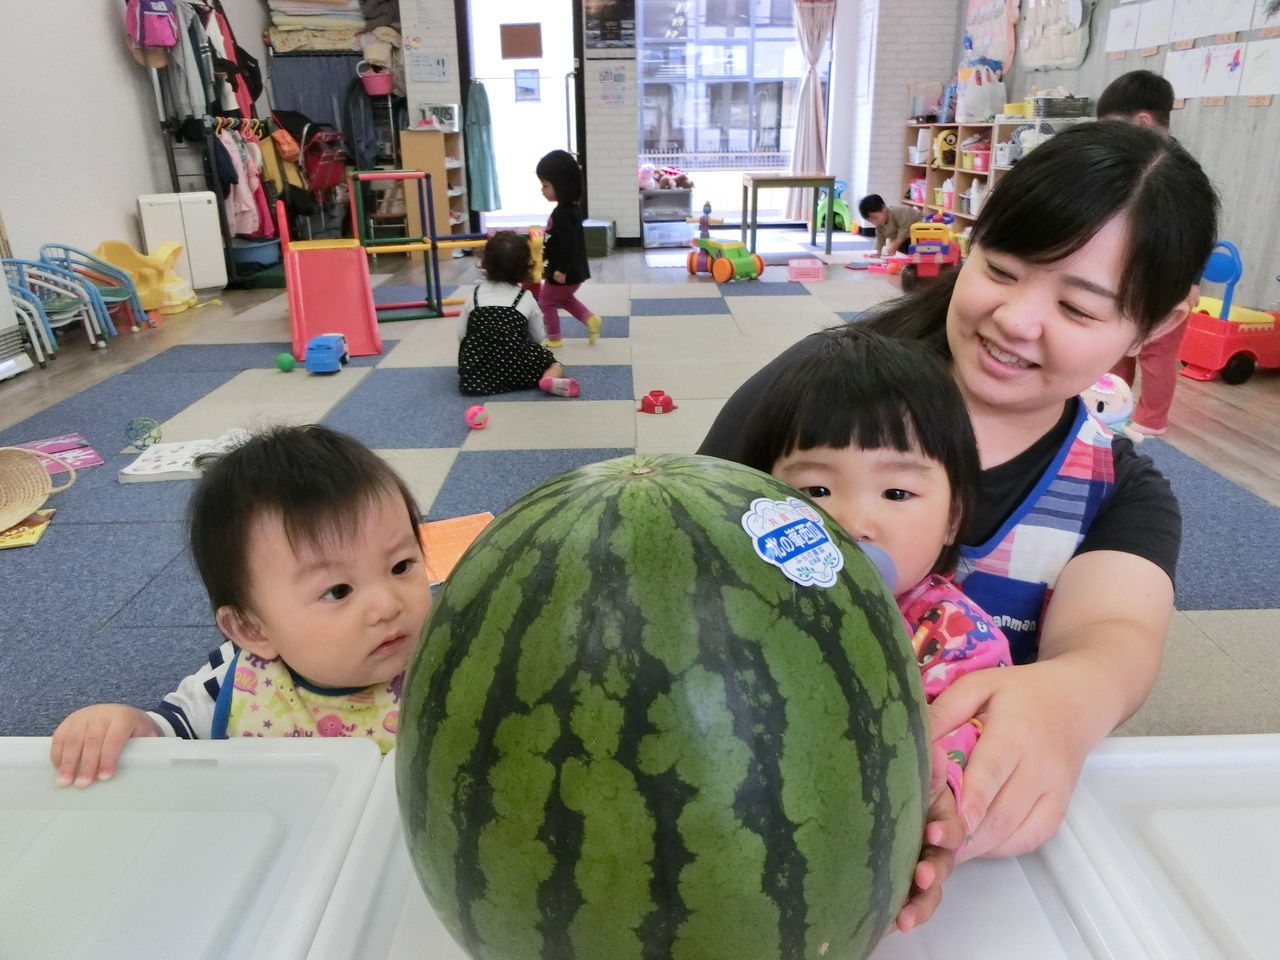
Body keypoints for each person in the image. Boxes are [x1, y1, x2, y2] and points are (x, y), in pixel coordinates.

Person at [702, 123, 1218, 883]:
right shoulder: (819, 394)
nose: (1016, 319)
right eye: (1001, 269)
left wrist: (1071, 696)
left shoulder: (1116, 492)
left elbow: (1115, 634)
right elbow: (686, 534)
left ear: (1159, 323)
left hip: (943, 854)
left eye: (1078, 309)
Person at [739, 327, 1012, 932]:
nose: (853, 522)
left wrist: (941, 792)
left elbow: (971, 738)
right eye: (815, 489)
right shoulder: (744, 609)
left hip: (854, 871)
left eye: (896, 491)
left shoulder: (953, 636)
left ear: (952, 519)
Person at [50, 425, 434, 787]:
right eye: (338, 591)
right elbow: (170, 736)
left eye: (401, 566)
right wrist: (131, 725)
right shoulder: (232, 684)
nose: (387, 606)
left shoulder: (446, 659)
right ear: (252, 630)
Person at [1097, 70, 1188, 436]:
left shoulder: (1180, 170)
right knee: (1117, 343)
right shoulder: (1127, 160)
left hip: (1166, 279)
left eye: (1113, 126)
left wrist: (1191, 280)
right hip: (1127, 274)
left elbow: (1196, 231)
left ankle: (1151, 422)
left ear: (1143, 121)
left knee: (1157, 354)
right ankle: (1110, 407)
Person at [458, 230, 580, 398]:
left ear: (484, 262)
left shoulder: (474, 296)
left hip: (479, 373)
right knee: (553, 363)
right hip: (517, 367)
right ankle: (549, 378)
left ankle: (482, 376)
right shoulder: (525, 297)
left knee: (473, 360)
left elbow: (461, 335)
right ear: (525, 267)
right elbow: (539, 337)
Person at [535, 149, 601, 349]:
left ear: (561, 185)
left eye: (545, 185)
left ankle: (554, 338)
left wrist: (561, 269)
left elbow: (569, 245)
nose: (542, 190)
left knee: (546, 302)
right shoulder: (570, 210)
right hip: (571, 270)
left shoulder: (562, 215)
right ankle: (590, 319)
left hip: (564, 271)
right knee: (564, 299)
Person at [859, 193, 924, 256]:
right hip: (908, 237)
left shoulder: (897, 212)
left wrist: (896, 243)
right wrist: (879, 252)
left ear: (883, 208)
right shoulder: (880, 224)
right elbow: (880, 238)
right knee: (898, 246)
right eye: (871, 221)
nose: (875, 223)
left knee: (899, 244)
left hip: (922, 230)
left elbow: (905, 228)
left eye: (876, 218)